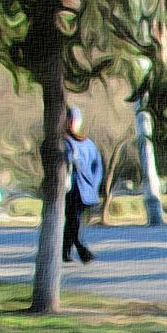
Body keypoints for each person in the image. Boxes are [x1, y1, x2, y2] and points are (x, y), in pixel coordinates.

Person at [63, 106, 103, 263]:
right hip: (71, 189)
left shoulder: (87, 144)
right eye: (69, 120)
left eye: (73, 120)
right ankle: (75, 250)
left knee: (74, 221)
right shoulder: (63, 142)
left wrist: (93, 184)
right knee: (73, 220)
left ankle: (70, 250)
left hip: (82, 190)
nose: (72, 124)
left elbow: (97, 166)